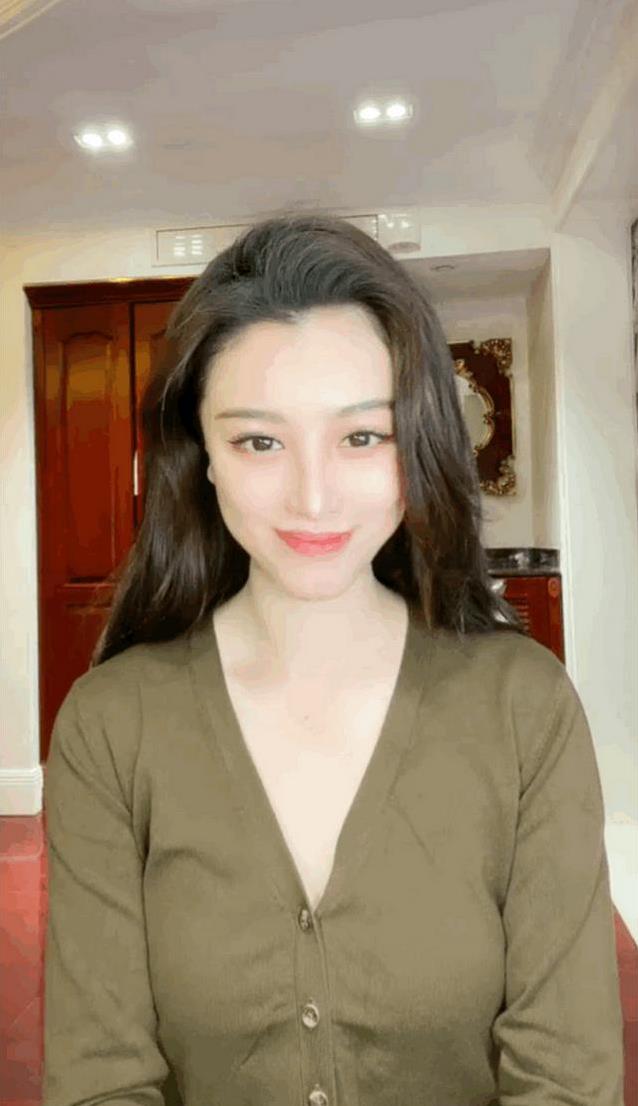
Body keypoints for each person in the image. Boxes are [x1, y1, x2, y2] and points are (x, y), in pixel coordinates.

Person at [43, 212, 624, 1106]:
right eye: (259, 440)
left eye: (361, 436)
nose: (312, 499)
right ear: (202, 457)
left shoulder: (525, 707)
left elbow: (567, 1078)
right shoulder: (111, 726)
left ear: (416, 445)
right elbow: (99, 1079)